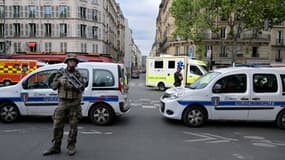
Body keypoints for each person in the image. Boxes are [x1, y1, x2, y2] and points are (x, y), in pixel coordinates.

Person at [43, 54, 85, 156]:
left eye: (74, 61)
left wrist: (72, 85)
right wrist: (60, 81)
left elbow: (82, 88)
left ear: (76, 63)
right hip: (62, 102)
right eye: (70, 61)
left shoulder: (78, 75)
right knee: (57, 125)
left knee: (73, 126)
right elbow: (53, 86)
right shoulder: (60, 73)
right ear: (67, 62)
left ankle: (71, 146)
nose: (72, 62)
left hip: (74, 103)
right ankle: (56, 146)